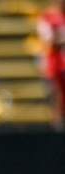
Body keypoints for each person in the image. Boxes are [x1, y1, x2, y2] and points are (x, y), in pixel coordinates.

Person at [38, 0, 65, 130]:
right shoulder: (48, 18)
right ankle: (57, 124)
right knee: (57, 93)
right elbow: (48, 43)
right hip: (55, 64)